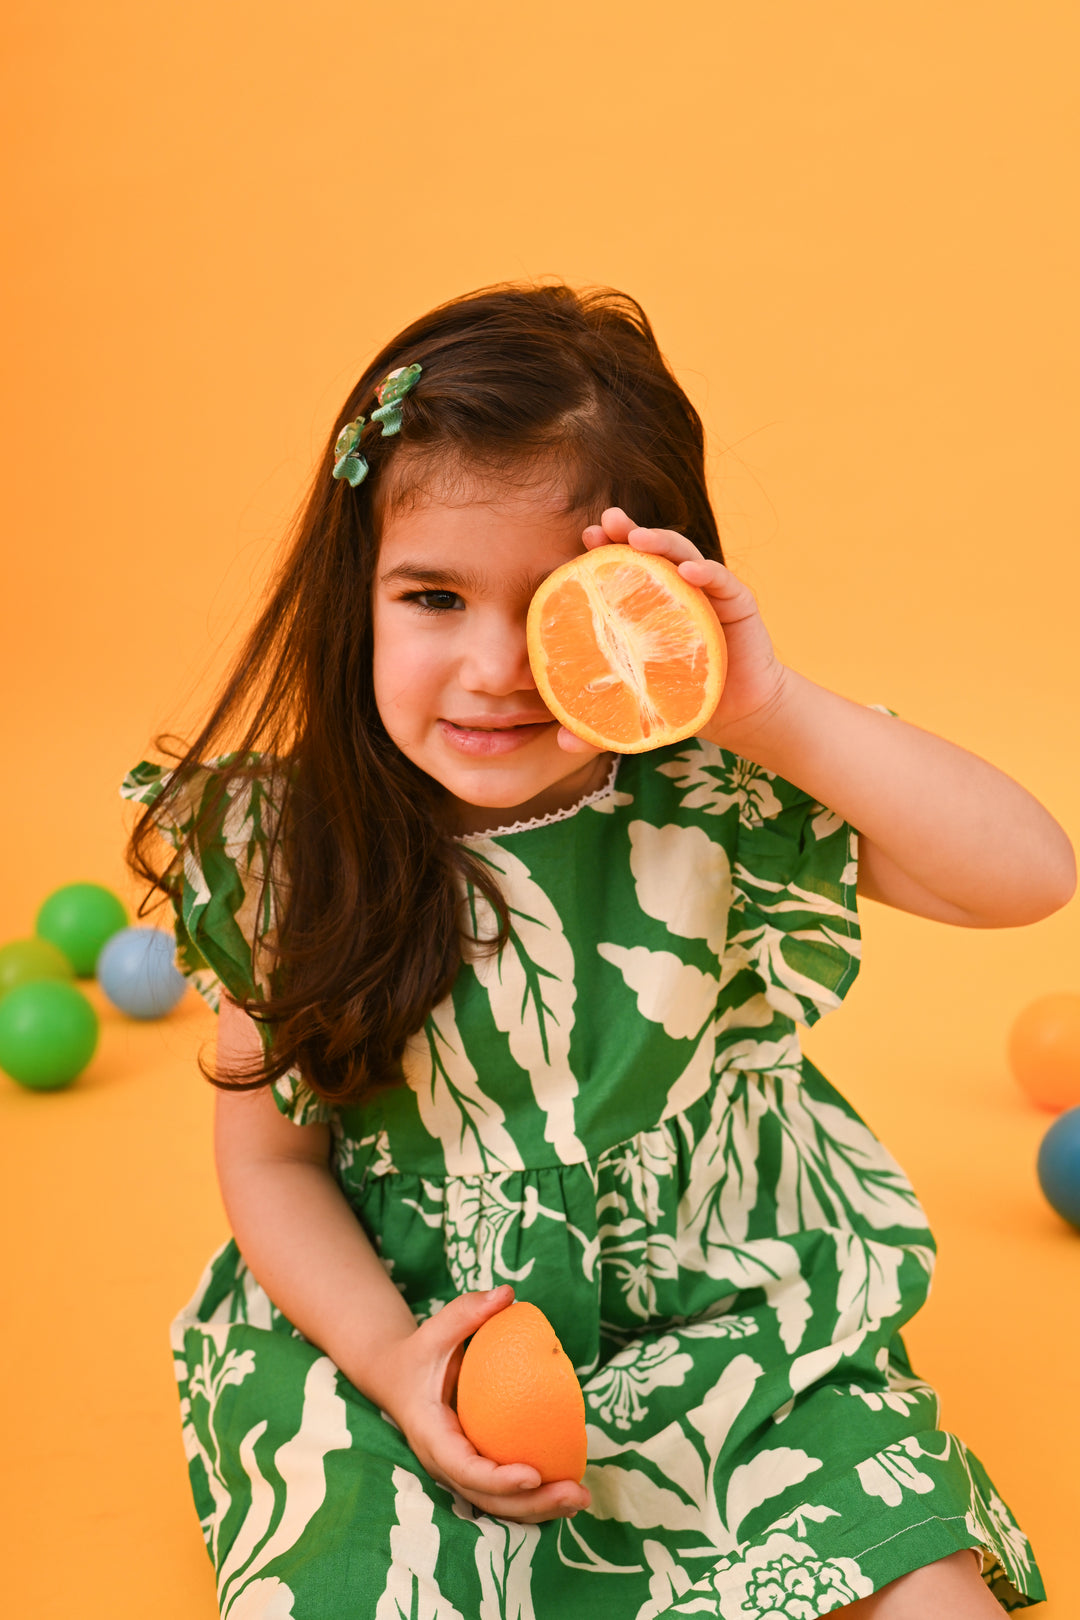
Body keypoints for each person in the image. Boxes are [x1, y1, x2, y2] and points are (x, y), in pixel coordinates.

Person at [122, 281, 1073, 1619]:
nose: (497, 666)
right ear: (360, 597)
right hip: (412, 1336)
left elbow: (1029, 877)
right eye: (436, 596)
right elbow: (271, 1159)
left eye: (561, 601)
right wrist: (394, 1362)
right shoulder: (295, 847)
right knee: (360, 1575)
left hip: (727, 1331)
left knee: (920, 1585)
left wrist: (773, 709)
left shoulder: (715, 795)